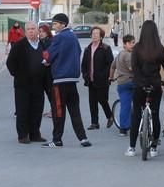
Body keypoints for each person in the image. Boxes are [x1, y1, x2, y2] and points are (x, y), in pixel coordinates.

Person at [125, 20, 164, 157]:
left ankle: (131, 148)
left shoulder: (137, 48)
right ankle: (153, 147)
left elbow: (135, 68)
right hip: (155, 85)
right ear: (155, 32)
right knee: (155, 115)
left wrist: (141, 80)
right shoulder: (160, 48)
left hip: (139, 85)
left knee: (136, 115)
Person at [41, 13, 91, 148]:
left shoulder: (59, 38)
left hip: (60, 80)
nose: (54, 26)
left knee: (58, 111)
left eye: (56, 23)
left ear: (63, 24)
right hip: (72, 79)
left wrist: (45, 60)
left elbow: (49, 55)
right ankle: (83, 138)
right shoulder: (74, 37)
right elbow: (78, 52)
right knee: (75, 110)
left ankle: (57, 139)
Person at [6, 21, 47, 144]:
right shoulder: (19, 45)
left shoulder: (42, 45)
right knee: (23, 110)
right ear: (25, 31)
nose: (31, 31)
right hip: (22, 85)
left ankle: (35, 134)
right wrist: (18, 75)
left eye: (33, 28)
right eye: (28, 29)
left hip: (38, 84)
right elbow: (10, 63)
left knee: (37, 110)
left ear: (37, 30)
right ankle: (23, 135)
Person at [81, 26, 114, 130]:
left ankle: (110, 116)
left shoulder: (105, 48)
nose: (94, 35)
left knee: (102, 100)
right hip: (91, 80)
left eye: (96, 33)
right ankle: (94, 123)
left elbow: (110, 64)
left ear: (101, 36)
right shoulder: (87, 49)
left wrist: (104, 75)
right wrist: (85, 75)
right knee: (92, 102)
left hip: (102, 80)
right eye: (93, 33)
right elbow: (84, 65)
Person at [109, 34, 135, 136]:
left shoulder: (119, 54)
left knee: (125, 105)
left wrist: (110, 78)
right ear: (124, 44)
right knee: (138, 103)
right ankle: (139, 125)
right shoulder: (129, 55)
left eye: (133, 43)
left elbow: (112, 67)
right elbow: (132, 69)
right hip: (131, 82)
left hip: (121, 83)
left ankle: (123, 129)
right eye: (130, 43)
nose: (132, 45)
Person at [39, 23, 54, 118]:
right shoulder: (40, 41)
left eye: (43, 32)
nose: (41, 33)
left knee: (50, 91)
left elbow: (53, 54)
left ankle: (54, 111)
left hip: (50, 69)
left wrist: (49, 61)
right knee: (46, 91)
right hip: (42, 69)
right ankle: (52, 110)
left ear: (47, 32)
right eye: (40, 32)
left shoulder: (51, 41)